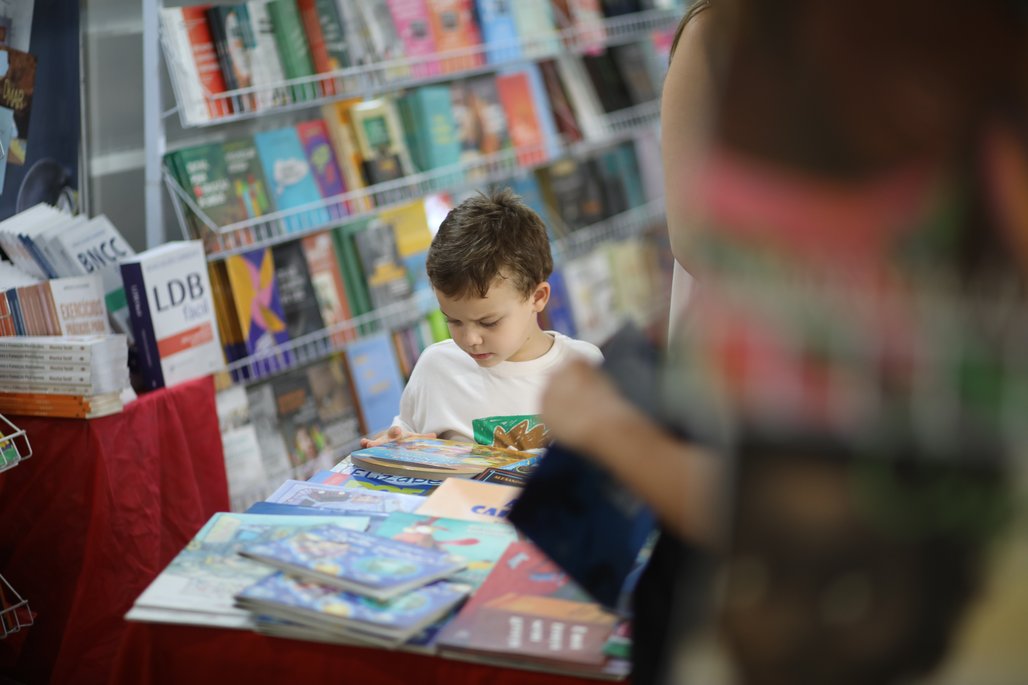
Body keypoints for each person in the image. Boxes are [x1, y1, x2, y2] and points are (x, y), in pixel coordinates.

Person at [361, 187, 603, 451]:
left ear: (537, 297)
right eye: (453, 321)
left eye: (489, 322)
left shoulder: (585, 368)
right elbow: (405, 436)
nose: (470, 339)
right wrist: (395, 445)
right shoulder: (436, 368)